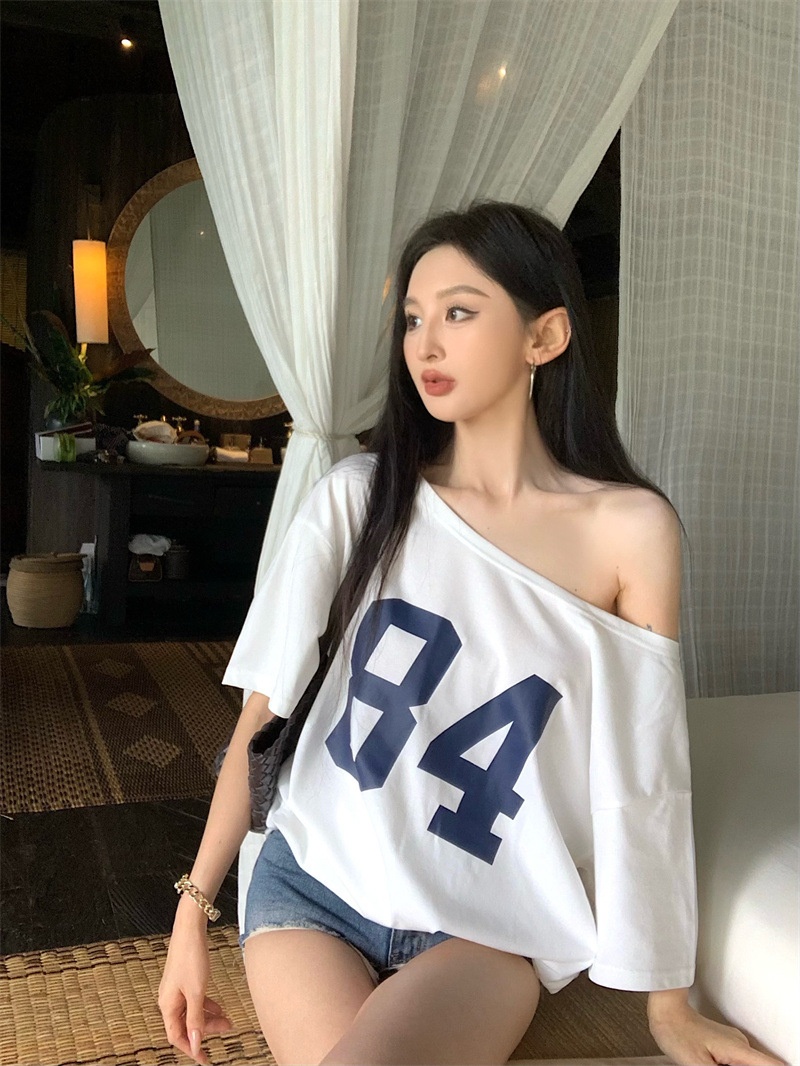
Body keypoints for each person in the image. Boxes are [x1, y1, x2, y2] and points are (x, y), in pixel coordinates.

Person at [158, 201, 785, 1066]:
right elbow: (261, 718)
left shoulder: (630, 531)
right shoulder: (359, 497)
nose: (425, 344)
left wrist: (667, 1006)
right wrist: (192, 916)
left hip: (489, 924)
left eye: (458, 312)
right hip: (313, 886)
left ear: (545, 336)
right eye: (414, 319)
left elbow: (644, 773)